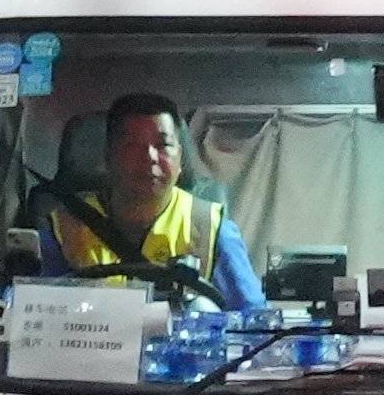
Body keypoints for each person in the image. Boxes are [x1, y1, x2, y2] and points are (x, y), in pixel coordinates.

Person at [17, 90, 261, 309]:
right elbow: (36, 315)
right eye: (132, 145)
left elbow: (255, 322)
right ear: (109, 157)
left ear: (180, 161)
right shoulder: (63, 229)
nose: (150, 157)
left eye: (163, 145)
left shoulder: (211, 229)